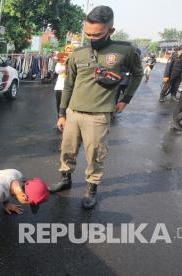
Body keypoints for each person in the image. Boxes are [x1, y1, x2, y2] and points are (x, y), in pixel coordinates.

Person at [49, 5, 143, 209]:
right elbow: (69, 84)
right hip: (73, 112)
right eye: (88, 33)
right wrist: (62, 113)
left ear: (111, 30)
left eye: (97, 34)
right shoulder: (78, 53)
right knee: (67, 150)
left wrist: (126, 99)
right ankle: (65, 179)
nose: (92, 38)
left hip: (99, 115)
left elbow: (137, 74)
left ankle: (92, 188)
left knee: (95, 154)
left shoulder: (125, 51)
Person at [53, 46, 74, 117]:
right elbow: (57, 70)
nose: (68, 52)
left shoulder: (74, 61)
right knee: (59, 105)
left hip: (70, 88)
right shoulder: (60, 61)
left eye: (70, 51)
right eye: (67, 51)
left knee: (68, 106)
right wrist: (65, 65)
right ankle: (60, 120)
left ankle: (67, 122)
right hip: (59, 87)